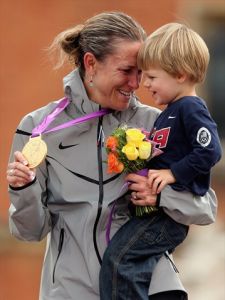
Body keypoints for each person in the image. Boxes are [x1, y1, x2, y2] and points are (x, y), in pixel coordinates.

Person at [6, 12, 218, 300]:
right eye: (126, 70)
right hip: (70, 291)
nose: (136, 83)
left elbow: (206, 208)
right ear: (90, 63)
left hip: (149, 288)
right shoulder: (37, 129)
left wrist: (161, 196)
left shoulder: (156, 121)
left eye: (142, 72)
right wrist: (22, 189)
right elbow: (29, 232)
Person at [99, 22, 222, 300]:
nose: (144, 83)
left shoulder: (191, 109)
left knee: (120, 261)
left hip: (167, 218)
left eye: (152, 76)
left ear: (180, 74)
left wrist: (172, 174)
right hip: (154, 212)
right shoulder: (170, 112)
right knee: (127, 264)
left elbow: (211, 150)